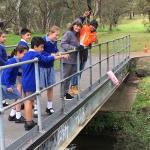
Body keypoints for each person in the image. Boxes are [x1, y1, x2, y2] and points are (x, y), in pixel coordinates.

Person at [22, 37, 65, 130]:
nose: (42, 49)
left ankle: (28, 120)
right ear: (35, 46)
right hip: (31, 81)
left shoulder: (28, 54)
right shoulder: (34, 54)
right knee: (29, 102)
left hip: (26, 81)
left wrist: (55, 56)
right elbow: (45, 59)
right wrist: (55, 56)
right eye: (41, 47)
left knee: (28, 101)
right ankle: (28, 122)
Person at [70, 15, 98, 95]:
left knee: (81, 70)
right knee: (76, 70)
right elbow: (77, 22)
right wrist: (83, 16)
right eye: (92, 25)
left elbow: (95, 41)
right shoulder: (84, 27)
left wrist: (92, 42)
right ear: (90, 24)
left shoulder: (94, 33)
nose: (92, 27)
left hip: (85, 52)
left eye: (94, 26)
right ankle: (73, 87)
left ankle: (76, 86)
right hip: (78, 50)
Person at [1, 46, 28, 123]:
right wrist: (8, 85)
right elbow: (6, 74)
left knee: (17, 97)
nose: (25, 56)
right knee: (19, 97)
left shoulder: (17, 60)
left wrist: (22, 73)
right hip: (6, 84)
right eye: (24, 54)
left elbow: (15, 71)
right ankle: (18, 116)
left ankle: (12, 115)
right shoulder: (12, 61)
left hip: (10, 83)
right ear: (18, 53)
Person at [39, 26, 61, 116]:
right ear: (51, 33)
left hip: (50, 66)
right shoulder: (42, 40)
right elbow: (40, 52)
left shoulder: (54, 41)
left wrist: (57, 52)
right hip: (41, 67)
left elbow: (55, 50)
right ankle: (36, 107)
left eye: (58, 35)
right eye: (56, 35)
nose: (57, 37)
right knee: (39, 88)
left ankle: (49, 106)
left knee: (50, 86)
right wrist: (50, 54)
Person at [61, 20, 82, 100]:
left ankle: (65, 94)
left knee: (69, 77)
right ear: (73, 25)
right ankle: (62, 95)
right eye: (76, 26)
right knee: (65, 77)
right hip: (67, 58)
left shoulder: (77, 35)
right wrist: (73, 48)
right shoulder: (69, 33)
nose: (78, 28)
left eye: (79, 26)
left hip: (74, 59)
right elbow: (63, 43)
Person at [0, 30, 9, 107]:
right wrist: (6, 63)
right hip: (2, 67)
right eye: (3, 37)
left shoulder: (2, 45)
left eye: (5, 37)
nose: (5, 38)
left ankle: (2, 100)